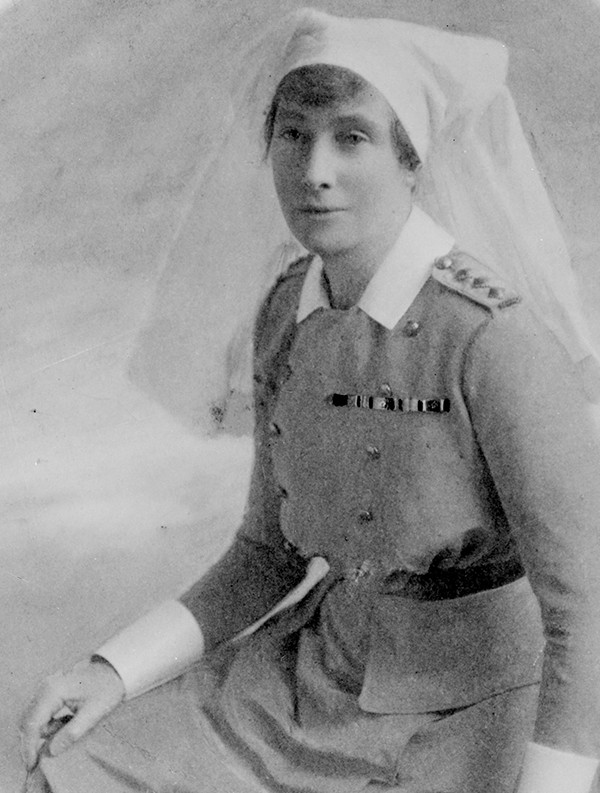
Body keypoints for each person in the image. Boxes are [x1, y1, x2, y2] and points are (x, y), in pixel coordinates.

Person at [20, 8, 600, 793]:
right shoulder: (286, 314)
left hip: (479, 705)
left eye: (351, 137)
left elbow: (587, 608)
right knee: (73, 766)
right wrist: (111, 669)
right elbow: (265, 553)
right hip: (315, 676)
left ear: (411, 160)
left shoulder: (490, 339)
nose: (314, 170)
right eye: (293, 136)